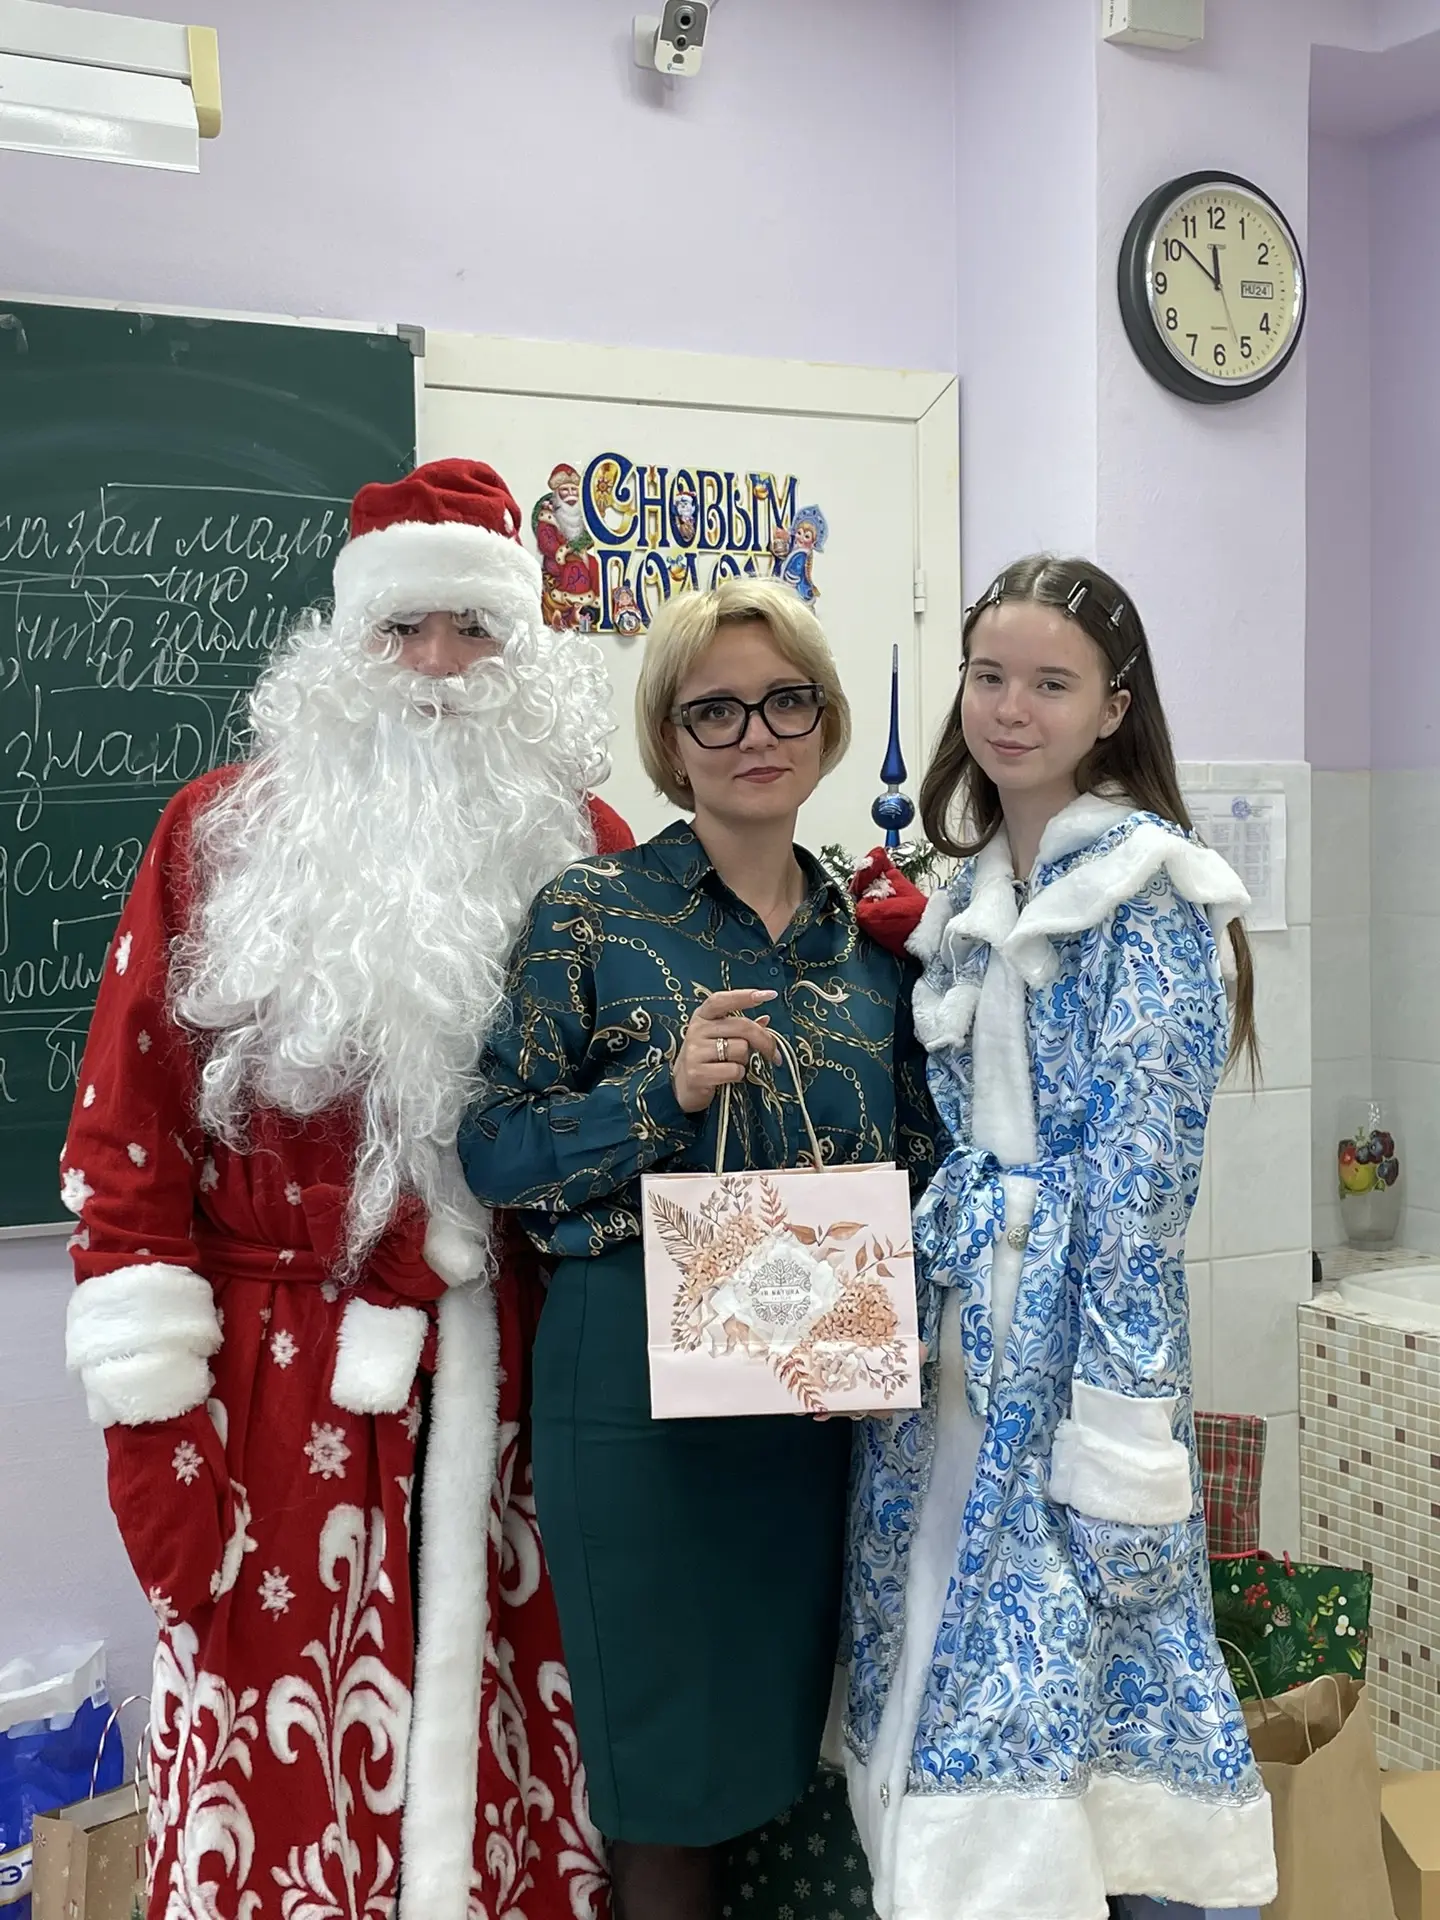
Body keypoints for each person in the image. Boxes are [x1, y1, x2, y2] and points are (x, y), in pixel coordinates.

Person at [60, 458, 630, 1920]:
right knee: (280, 1820)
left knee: (513, 1797)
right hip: (273, 1414)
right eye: (401, 629)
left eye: (474, 629)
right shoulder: (217, 836)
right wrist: (158, 1448)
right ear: (342, 647)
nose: (435, 667)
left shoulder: (593, 854)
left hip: (523, 1417)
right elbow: (126, 1155)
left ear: (523, 653)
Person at [457, 576, 937, 1920]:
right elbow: (493, 1146)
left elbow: (922, 1154)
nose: (753, 734)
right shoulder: (591, 912)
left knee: (788, 1748)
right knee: (662, 1771)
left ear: (828, 723)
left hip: (818, 1389)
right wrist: (657, 1097)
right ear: (669, 742)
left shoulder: (873, 939)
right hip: (635, 1392)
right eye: (713, 711)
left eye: (785, 701)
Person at [843, 557, 1278, 1920]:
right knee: (948, 1667)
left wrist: (1121, 1434)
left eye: (1050, 683)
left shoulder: (1151, 896)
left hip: (1069, 1361)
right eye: (988, 677)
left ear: (1113, 709)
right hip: (955, 1346)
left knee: (1085, 1705)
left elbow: (1141, 1202)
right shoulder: (972, 894)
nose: (1010, 710)